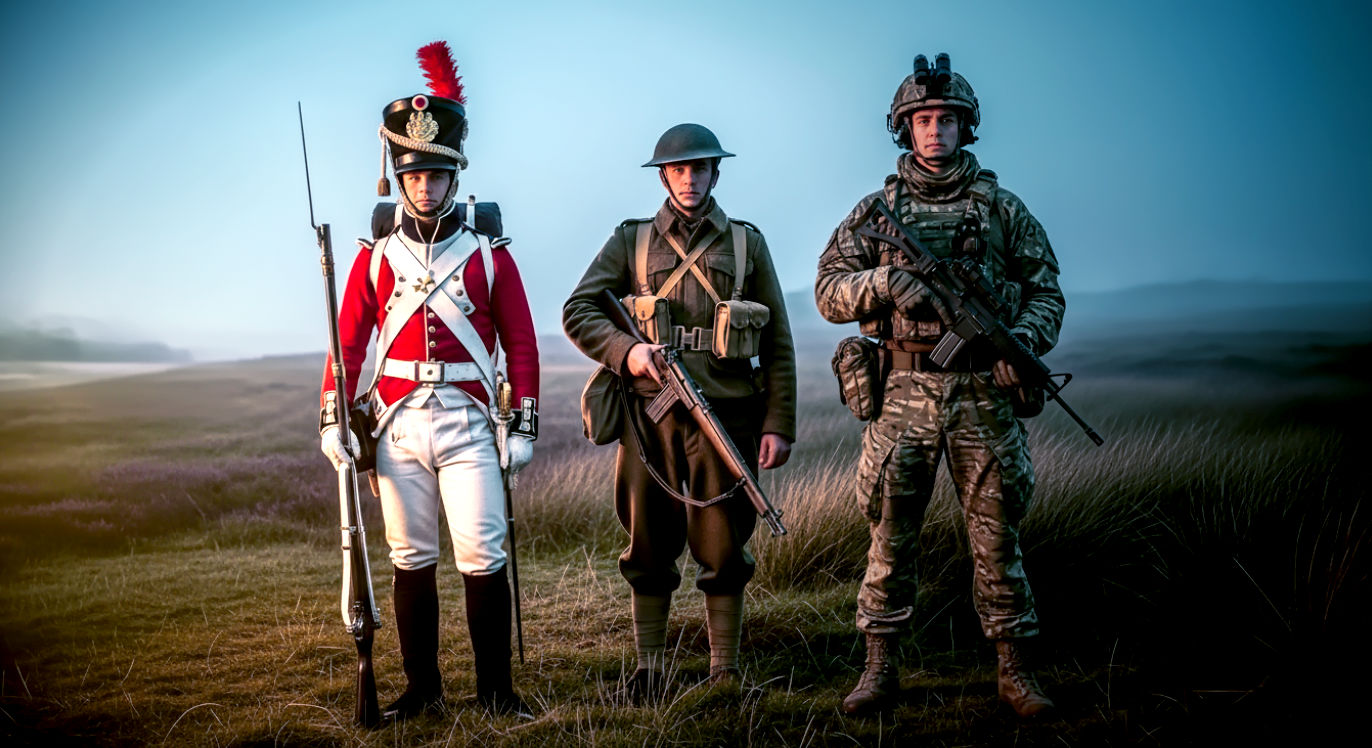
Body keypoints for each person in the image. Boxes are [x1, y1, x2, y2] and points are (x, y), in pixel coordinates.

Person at [815, 53, 1065, 718]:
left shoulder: (1003, 210)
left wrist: (1026, 348)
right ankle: (878, 668)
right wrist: (885, 283)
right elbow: (829, 291)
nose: (935, 131)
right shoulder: (876, 210)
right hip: (902, 394)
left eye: (947, 120)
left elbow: (1046, 293)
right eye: (923, 119)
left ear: (965, 127)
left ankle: (1015, 671)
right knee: (890, 535)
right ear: (905, 128)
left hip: (983, 394)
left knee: (997, 537)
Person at [318, 41, 538, 720]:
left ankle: (496, 693)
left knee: (481, 553)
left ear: (453, 176)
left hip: (471, 423)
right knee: (410, 557)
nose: (425, 187)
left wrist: (523, 420)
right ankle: (423, 691)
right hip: (398, 425)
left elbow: (522, 342)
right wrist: (332, 416)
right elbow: (346, 341)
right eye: (414, 176)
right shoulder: (375, 257)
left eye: (437, 175)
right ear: (400, 176)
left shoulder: (489, 256)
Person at [562, 124, 797, 700]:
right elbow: (579, 309)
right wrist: (628, 351)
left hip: (730, 416)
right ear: (664, 176)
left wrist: (777, 422)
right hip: (651, 418)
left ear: (716, 173)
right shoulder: (632, 241)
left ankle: (725, 673)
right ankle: (650, 670)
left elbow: (779, 343)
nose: (690, 179)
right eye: (679, 170)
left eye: (701, 169)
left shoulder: (746, 243)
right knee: (648, 541)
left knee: (723, 545)